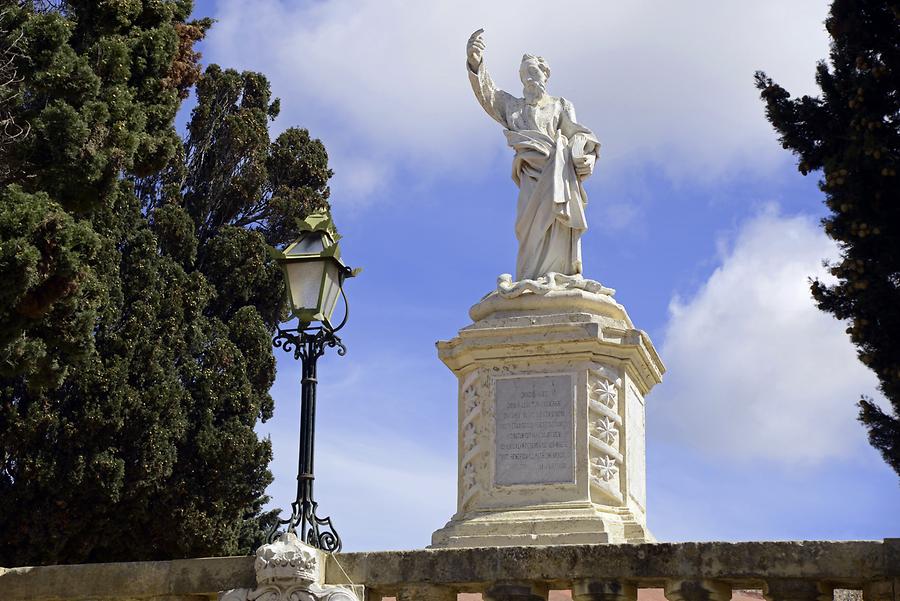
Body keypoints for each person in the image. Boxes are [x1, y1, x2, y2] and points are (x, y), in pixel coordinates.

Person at [466, 29, 600, 281]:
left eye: (533, 72)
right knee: (529, 230)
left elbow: (578, 135)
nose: (529, 78)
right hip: (530, 175)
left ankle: (557, 274)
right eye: (524, 74)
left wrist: (584, 154)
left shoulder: (560, 105)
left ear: (545, 75)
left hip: (558, 174)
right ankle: (530, 278)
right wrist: (475, 63)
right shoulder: (514, 107)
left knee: (557, 224)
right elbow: (488, 95)